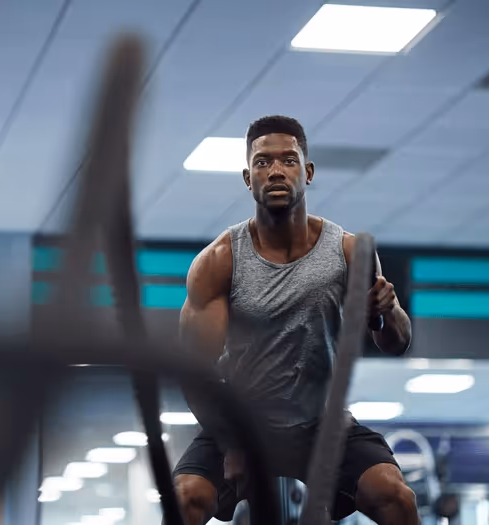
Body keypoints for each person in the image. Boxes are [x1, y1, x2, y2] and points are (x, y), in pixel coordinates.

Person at [173, 115, 418, 524]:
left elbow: (395, 342)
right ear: (248, 178)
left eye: (287, 160)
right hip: (243, 423)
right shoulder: (219, 262)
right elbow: (193, 371)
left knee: (397, 498)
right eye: (263, 162)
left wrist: (387, 312)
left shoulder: (350, 252)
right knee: (184, 502)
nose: (275, 171)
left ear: (307, 172)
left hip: (322, 424)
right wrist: (232, 444)